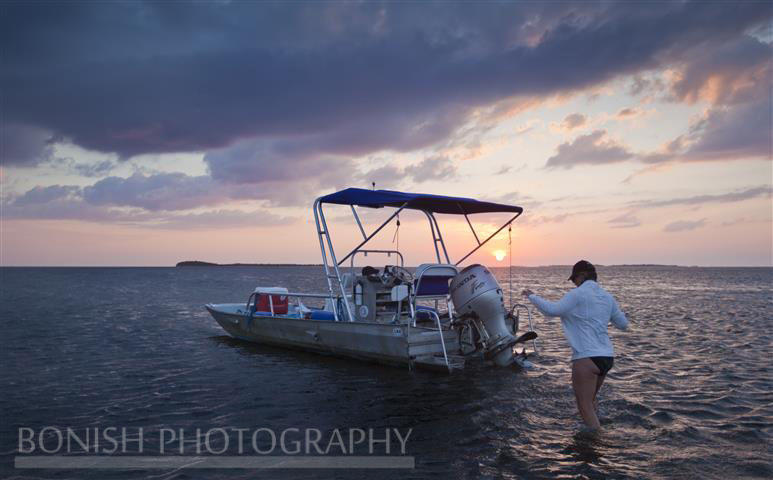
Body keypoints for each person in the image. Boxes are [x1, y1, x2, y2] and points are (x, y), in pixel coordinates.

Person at [522, 260, 628, 430]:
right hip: (607, 357)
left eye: (574, 279)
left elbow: (552, 310)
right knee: (591, 400)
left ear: (582, 276)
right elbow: (623, 324)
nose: (573, 283)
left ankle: (598, 444)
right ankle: (596, 434)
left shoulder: (577, 294)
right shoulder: (608, 297)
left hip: (586, 357)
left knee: (584, 406)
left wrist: (531, 296)